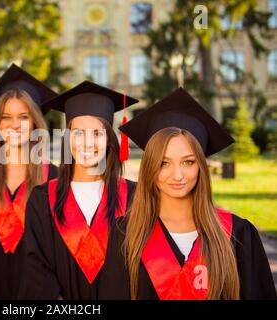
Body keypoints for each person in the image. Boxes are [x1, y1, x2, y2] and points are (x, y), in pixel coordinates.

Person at [99, 87, 277, 300]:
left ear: (201, 166)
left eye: (189, 162)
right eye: (164, 163)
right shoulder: (126, 235)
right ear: (150, 167)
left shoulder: (237, 234)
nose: (177, 175)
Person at [18, 81, 138, 299]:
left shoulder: (134, 197)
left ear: (110, 140)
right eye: (78, 133)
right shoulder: (43, 199)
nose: (87, 142)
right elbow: (37, 269)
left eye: (97, 134)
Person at [0, 63, 59, 299]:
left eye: (23, 117)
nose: (14, 125)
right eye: (6, 117)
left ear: (34, 123)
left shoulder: (53, 178)